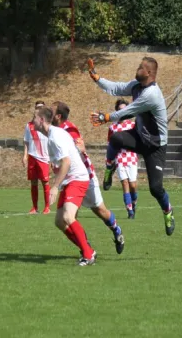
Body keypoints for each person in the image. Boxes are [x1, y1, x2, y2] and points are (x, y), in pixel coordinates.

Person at [88, 57, 175, 236]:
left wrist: (106, 117)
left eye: (141, 67)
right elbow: (117, 88)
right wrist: (97, 78)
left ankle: (168, 212)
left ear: (149, 73)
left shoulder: (152, 94)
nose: (138, 68)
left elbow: (129, 111)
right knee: (116, 138)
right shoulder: (137, 84)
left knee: (155, 189)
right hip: (139, 136)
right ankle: (109, 168)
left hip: (155, 146)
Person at [52, 101, 125, 254]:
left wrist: (78, 149)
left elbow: (79, 148)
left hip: (83, 176)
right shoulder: (52, 130)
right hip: (68, 180)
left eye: (50, 111)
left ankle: (116, 230)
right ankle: (86, 248)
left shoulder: (68, 130)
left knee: (100, 210)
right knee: (63, 220)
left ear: (58, 116)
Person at [33, 106, 96, 266]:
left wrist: (55, 187)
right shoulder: (52, 135)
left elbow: (66, 162)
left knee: (68, 216)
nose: (32, 121)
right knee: (59, 222)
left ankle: (88, 255)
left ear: (41, 120)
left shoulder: (55, 136)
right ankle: (87, 249)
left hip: (77, 178)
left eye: (34, 118)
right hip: (69, 180)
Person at [107, 99, 138, 219]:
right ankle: (130, 211)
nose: (122, 111)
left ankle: (134, 203)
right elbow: (110, 144)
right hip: (119, 157)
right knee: (125, 183)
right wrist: (110, 160)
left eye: (124, 109)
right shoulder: (113, 127)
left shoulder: (132, 125)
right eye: (120, 110)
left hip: (131, 156)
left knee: (133, 185)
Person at [22, 100, 50, 215]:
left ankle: (47, 207)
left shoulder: (48, 125)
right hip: (32, 156)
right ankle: (34, 207)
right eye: (37, 107)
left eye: (41, 107)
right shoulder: (29, 125)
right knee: (33, 182)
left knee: (45, 182)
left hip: (44, 158)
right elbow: (26, 142)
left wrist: (53, 158)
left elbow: (51, 142)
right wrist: (25, 156)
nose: (39, 109)